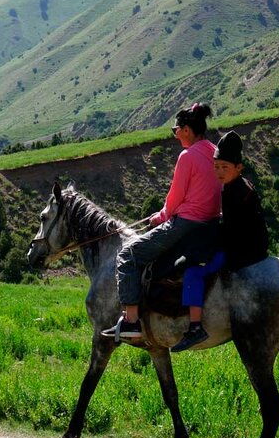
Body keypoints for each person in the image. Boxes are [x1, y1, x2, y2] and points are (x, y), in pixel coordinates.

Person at [102, 103, 221, 341]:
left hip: (185, 223)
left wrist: (160, 217)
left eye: (176, 130)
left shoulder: (187, 156)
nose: (176, 135)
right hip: (211, 223)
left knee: (128, 255)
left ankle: (131, 321)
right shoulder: (215, 150)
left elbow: (175, 198)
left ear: (187, 130)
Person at [172, 130, 269, 352]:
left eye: (225, 167)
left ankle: (195, 326)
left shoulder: (233, 192)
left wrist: (204, 248)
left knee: (193, 271)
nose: (219, 172)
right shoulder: (242, 185)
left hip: (242, 252)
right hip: (255, 247)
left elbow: (229, 231)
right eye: (216, 167)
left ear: (239, 167)